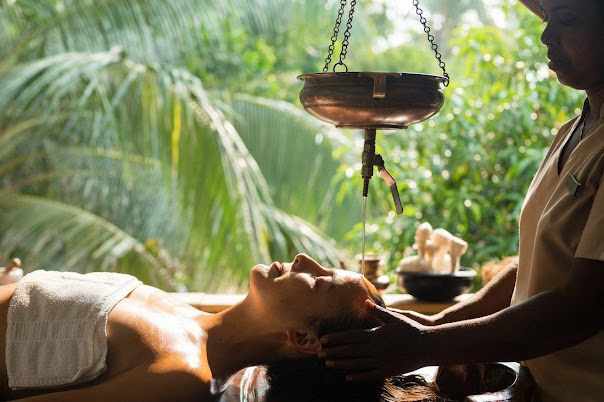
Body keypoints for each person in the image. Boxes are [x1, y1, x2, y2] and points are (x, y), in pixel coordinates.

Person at [319, 1, 604, 401]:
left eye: (568, 20)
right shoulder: (573, 131)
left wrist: (427, 344)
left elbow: (582, 306)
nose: (546, 34)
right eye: (548, 18)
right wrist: (439, 324)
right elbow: (537, 264)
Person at [0, 253, 443, 402]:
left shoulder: (180, 375)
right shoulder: (184, 314)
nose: (304, 260)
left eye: (319, 281)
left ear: (304, 339)